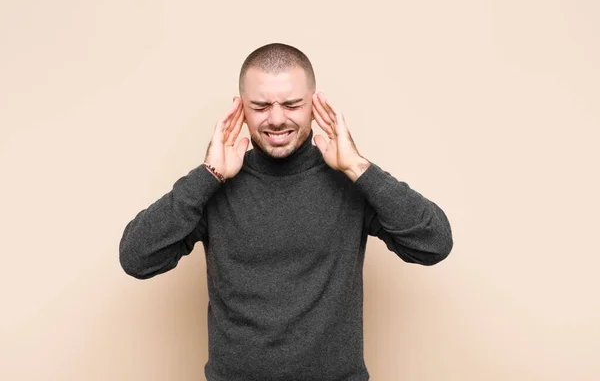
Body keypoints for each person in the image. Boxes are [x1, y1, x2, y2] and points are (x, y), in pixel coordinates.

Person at [119, 42, 453, 381]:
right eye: (261, 106)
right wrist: (207, 176)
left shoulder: (351, 183)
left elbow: (434, 243)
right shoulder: (214, 188)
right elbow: (136, 258)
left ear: (315, 105)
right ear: (240, 109)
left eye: (292, 104)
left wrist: (358, 167)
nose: (277, 119)